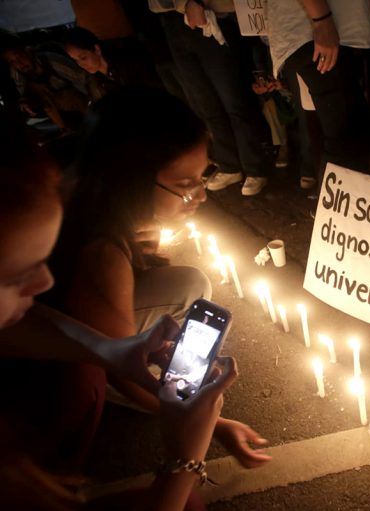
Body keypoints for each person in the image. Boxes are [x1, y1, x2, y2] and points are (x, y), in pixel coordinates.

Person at [0, 114, 252, 510]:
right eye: (17, 273)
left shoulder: (96, 207)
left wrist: (105, 348)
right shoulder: (101, 256)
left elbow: (29, 327)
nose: (44, 283)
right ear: (135, 181)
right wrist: (188, 455)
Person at [44, 88, 271, 470]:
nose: (200, 195)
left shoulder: (86, 181)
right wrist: (207, 422)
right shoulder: (101, 254)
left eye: (204, 176)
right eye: (185, 186)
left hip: (65, 309)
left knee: (190, 285)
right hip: (42, 371)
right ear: (131, 179)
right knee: (94, 381)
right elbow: (124, 368)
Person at [148, 0, 274, 196]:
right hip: (171, 18)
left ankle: (255, 167)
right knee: (206, 102)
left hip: (209, 13)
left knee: (233, 97)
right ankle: (229, 165)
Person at [267, 0, 370, 178]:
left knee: (347, 137)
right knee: (344, 144)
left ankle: (331, 202)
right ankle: (331, 204)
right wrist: (322, 20)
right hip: (315, 31)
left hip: (320, 30)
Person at [0, 32, 89, 130]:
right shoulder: (17, 71)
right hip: (57, 107)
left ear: (28, 51)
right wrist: (26, 99)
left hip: (79, 97)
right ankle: (65, 128)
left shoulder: (53, 61)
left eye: (20, 56)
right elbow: (27, 94)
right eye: (12, 61)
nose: (19, 63)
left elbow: (85, 80)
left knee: (68, 97)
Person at [62, 27, 162, 101]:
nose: (81, 64)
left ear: (96, 49)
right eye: (76, 60)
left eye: (83, 58)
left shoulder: (127, 63)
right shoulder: (98, 81)